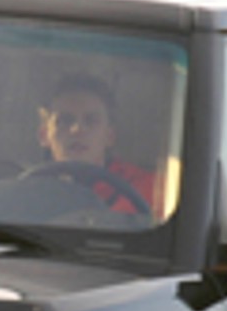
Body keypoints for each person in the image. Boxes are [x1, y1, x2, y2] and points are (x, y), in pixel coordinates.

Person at [36, 73, 155, 212]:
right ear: (44, 135)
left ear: (110, 136)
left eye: (91, 121)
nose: (77, 130)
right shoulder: (26, 196)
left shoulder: (151, 191)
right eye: (65, 121)